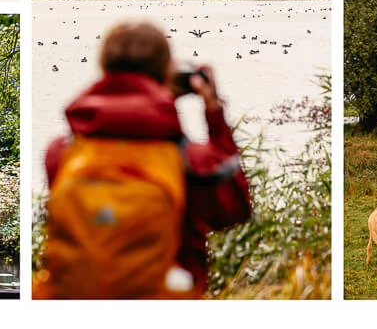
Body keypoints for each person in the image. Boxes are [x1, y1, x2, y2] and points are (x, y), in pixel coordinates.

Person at [34, 21, 251, 299]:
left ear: (104, 68)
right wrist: (212, 110)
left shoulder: (61, 154)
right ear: (166, 72)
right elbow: (236, 210)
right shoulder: (187, 160)